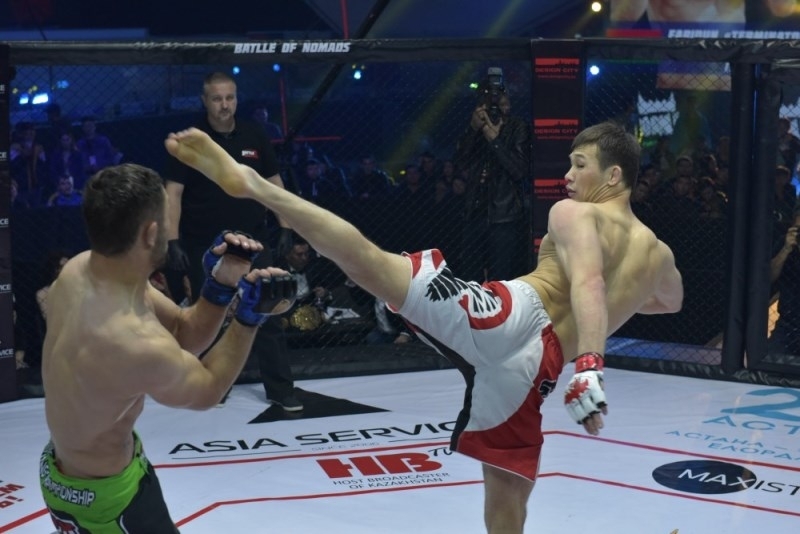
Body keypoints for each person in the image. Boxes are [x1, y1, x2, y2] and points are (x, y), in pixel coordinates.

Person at [164, 120, 684, 534]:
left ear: (613, 176)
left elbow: (588, 281)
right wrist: (608, 314)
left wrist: (590, 366)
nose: (567, 176)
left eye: (580, 165)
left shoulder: (574, 214)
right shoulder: (658, 256)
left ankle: (256, 186)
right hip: (538, 370)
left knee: (369, 261)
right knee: (508, 500)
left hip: (511, 315)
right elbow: (667, 302)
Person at [38, 162, 295, 533]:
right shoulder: (134, 341)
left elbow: (182, 332)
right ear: (151, 232)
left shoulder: (81, 270)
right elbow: (208, 389)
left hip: (75, 467)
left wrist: (220, 286)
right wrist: (249, 318)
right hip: (107, 498)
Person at [163, 71, 297, 406]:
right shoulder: (191, 140)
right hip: (204, 240)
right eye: (217, 99)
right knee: (207, 316)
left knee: (268, 310)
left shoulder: (254, 134)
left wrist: (285, 226)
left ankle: (281, 389)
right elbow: (173, 192)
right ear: (204, 100)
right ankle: (211, 386)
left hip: (254, 238)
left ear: (236, 98)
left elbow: (273, 183)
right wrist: (172, 240)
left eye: (230, 98)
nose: (224, 105)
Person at [454, 80, 530, 282]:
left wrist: (495, 140)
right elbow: (460, 162)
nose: (497, 110)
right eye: (491, 106)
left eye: (502, 104)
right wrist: (473, 129)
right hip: (474, 209)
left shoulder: (517, 127)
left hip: (504, 213)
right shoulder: (477, 127)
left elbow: (518, 170)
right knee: (470, 274)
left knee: (501, 275)